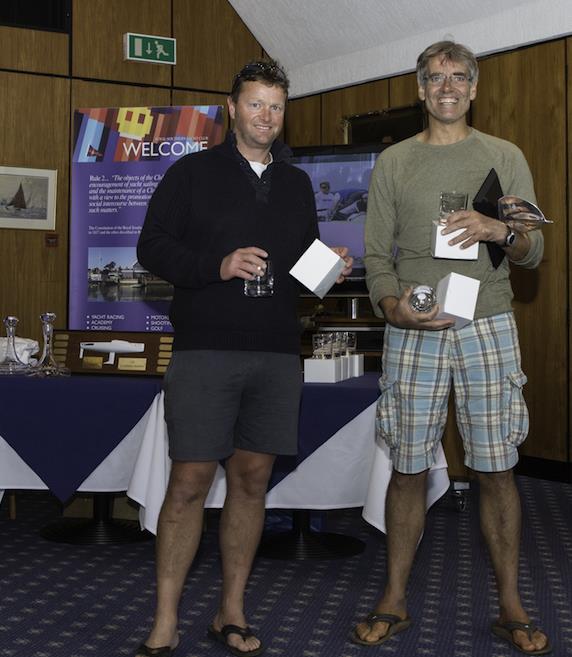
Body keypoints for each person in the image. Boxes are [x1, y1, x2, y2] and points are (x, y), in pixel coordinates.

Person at [135, 59, 351, 657]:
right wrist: (217, 266)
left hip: (279, 353)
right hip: (206, 350)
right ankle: (166, 619)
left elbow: (300, 270)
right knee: (188, 483)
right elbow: (150, 247)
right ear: (231, 108)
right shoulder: (192, 173)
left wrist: (329, 268)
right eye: (256, 104)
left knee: (252, 483)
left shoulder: (297, 184)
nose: (267, 117)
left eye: (277, 106)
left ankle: (230, 612)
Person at [354, 41, 551, 655]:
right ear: (419, 89)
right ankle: (393, 596)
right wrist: (394, 311)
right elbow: (375, 257)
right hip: (414, 331)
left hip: (488, 324)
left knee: (495, 469)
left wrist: (503, 231)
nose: (446, 86)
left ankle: (511, 604)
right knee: (408, 467)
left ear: (473, 88)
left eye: (457, 77)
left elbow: (534, 252)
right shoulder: (394, 164)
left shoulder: (505, 155)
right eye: (434, 77)